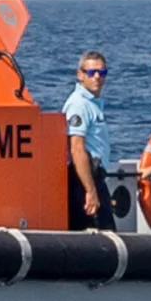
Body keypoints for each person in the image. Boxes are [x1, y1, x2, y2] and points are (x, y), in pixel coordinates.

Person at [57, 50, 115, 229]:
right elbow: (76, 148)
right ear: (80, 75)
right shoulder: (79, 105)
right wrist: (90, 190)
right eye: (91, 72)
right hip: (84, 179)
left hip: (94, 178)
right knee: (102, 235)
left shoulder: (93, 104)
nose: (97, 77)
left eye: (102, 72)